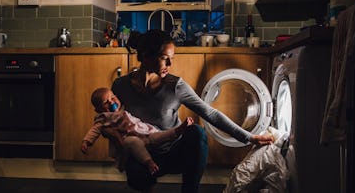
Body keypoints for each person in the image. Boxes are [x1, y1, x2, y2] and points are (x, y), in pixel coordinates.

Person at [112, 29, 274, 193]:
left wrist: (249, 137)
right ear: (146, 55)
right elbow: (110, 121)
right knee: (137, 175)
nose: (170, 64)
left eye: (171, 59)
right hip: (142, 155)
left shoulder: (176, 86)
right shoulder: (120, 86)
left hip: (174, 154)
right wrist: (121, 145)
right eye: (164, 58)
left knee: (197, 132)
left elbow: (210, 114)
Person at [81, 87, 194, 175]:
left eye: (113, 97)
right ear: (98, 109)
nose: (111, 102)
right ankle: (149, 162)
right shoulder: (103, 117)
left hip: (143, 132)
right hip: (127, 138)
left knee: (158, 136)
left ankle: (177, 131)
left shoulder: (122, 108)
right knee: (133, 142)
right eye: (105, 102)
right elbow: (95, 130)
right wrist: (87, 142)